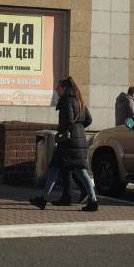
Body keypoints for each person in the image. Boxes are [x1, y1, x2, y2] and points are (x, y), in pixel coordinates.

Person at [31, 77, 99, 212]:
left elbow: (68, 120)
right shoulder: (79, 100)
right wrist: (79, 129)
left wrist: (62, 132)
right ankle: (93, 200)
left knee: (55, 169)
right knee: (79, 170)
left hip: (67, 142)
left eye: (58, 87)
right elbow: (89, 119)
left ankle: (43, 199)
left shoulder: (67, 100)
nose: (57, 90)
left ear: (65, 88)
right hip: (78, 139)